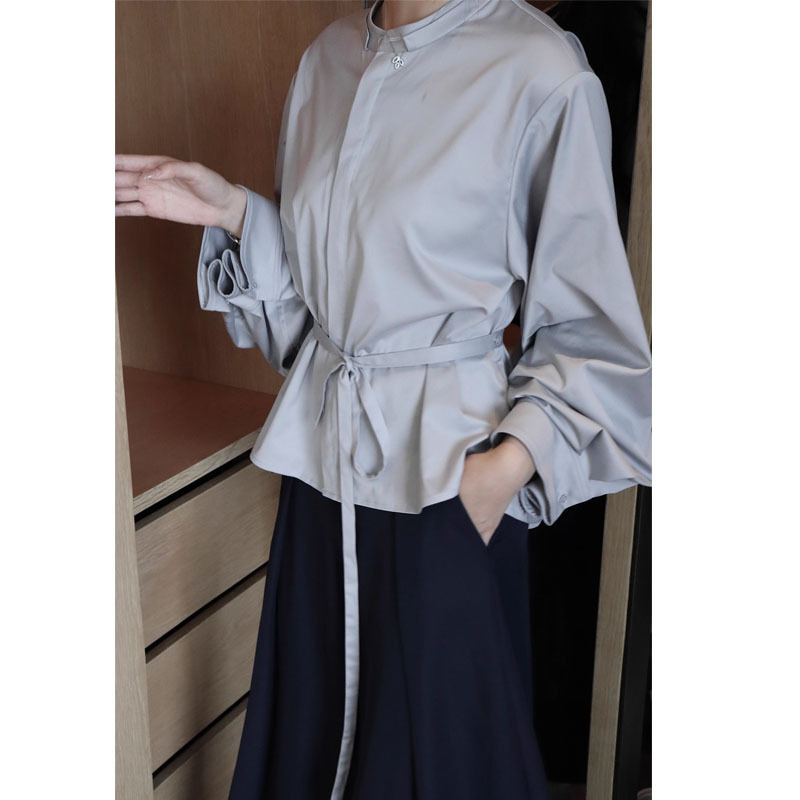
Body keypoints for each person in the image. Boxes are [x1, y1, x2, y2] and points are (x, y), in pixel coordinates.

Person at [115, 0, 652, 797]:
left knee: (442, 766)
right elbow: (320, 328)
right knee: (313, 748)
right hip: (320, 489)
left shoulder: (540, 71)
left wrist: (496, 478)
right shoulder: (324, 63)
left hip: (448, 488)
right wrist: (234, 212)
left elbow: (593, 332)